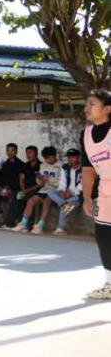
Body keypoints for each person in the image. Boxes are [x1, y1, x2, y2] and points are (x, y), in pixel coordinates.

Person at [81, 89, 111, 300]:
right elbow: (88, 169)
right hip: (105, 191)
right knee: (104, 236)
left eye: (92, 104)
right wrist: (86, 197)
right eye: (87, 104)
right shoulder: (86, 135)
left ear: (107, 109)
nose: (87, 108)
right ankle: (110, 284)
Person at [13, 146, 61, 234]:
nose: (47, 160)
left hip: (55, 191)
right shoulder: (43, 165)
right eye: (45, 158)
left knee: (46, 202)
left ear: (54, 156)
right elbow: (40, 184)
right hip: (44, 189)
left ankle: (40, 226)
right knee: (31, 201)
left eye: (49, 158)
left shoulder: (61, 166)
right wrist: (40, 179)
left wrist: (49, 179)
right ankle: (23, 223)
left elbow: (61, 183)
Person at [47, 149, 83, 235]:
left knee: (69, 203)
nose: (70, 159)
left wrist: (71, 194)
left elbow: (82, 185)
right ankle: (63, 203)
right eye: (69, 157)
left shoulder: (83, 168)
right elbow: (62, 181)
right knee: (50, 192)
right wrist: (61, 191)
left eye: (73, 157)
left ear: (78, 158)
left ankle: (60, 229)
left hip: (78, 195)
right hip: (66, 191)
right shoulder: (65, 167)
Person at [0, 143, 25, 228]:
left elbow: (20, 180)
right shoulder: (5, 164)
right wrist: (1, 188)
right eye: (8, 150)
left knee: (13, 199)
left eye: (12, 150)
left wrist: (10, 189)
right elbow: (2, 178)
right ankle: (2, 219)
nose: (10, 152)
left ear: (16, 151)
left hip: (16, 188)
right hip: (6, 188)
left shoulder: (21, 164)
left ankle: (10, 222)